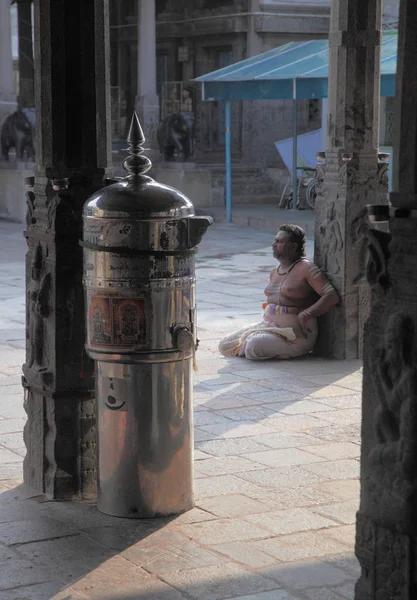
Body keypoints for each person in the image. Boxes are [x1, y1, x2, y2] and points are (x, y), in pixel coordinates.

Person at [218, 224, 339, 360]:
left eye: (280, 241)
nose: (273, 244)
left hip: (295, 335)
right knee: (224, 345)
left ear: (293, 246)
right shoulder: (275, 271)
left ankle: (284, 349)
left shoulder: (307, 268)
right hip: (269, 326)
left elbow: (331, 296)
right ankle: (262, 341)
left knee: (253, 347)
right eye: (275, 240)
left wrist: (306, 314)